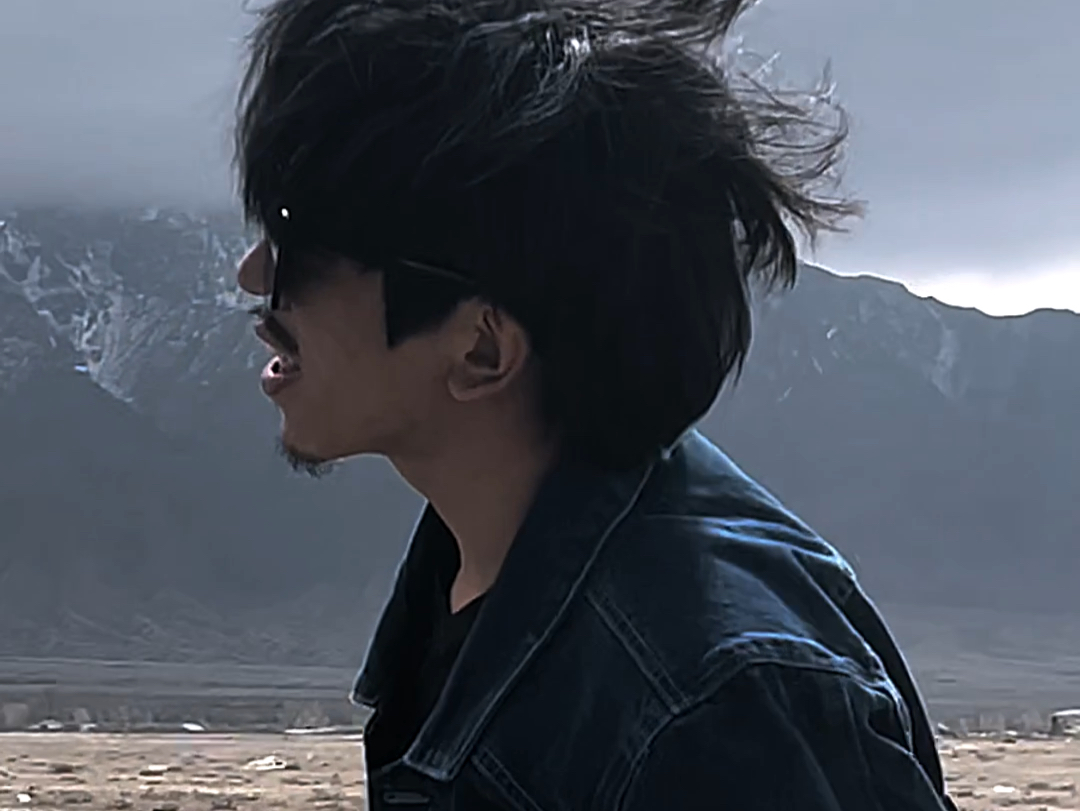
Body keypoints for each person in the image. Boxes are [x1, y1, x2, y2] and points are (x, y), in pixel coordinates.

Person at [232, 0, 956, 808]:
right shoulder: (482, 579)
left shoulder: (714, 709)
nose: (253, 274)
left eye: (301, 244)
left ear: (481, 350)